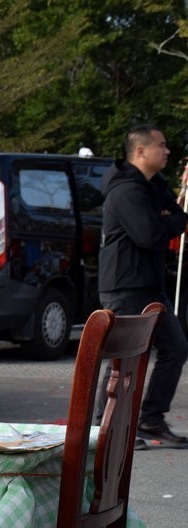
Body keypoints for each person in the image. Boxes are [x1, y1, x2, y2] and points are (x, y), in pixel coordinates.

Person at [98, 124, 188, 448]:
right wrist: (164, 222)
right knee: (123, 359)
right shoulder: (125, 191)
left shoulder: (155, 185)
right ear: (140, 151)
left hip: (152, 286)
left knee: (176, 348)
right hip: (125, 286)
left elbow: (179, 218)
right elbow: (148, 235)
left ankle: (151, 419)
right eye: (161, 146)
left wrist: (164, 219)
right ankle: (104, 427)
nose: (167, 151)